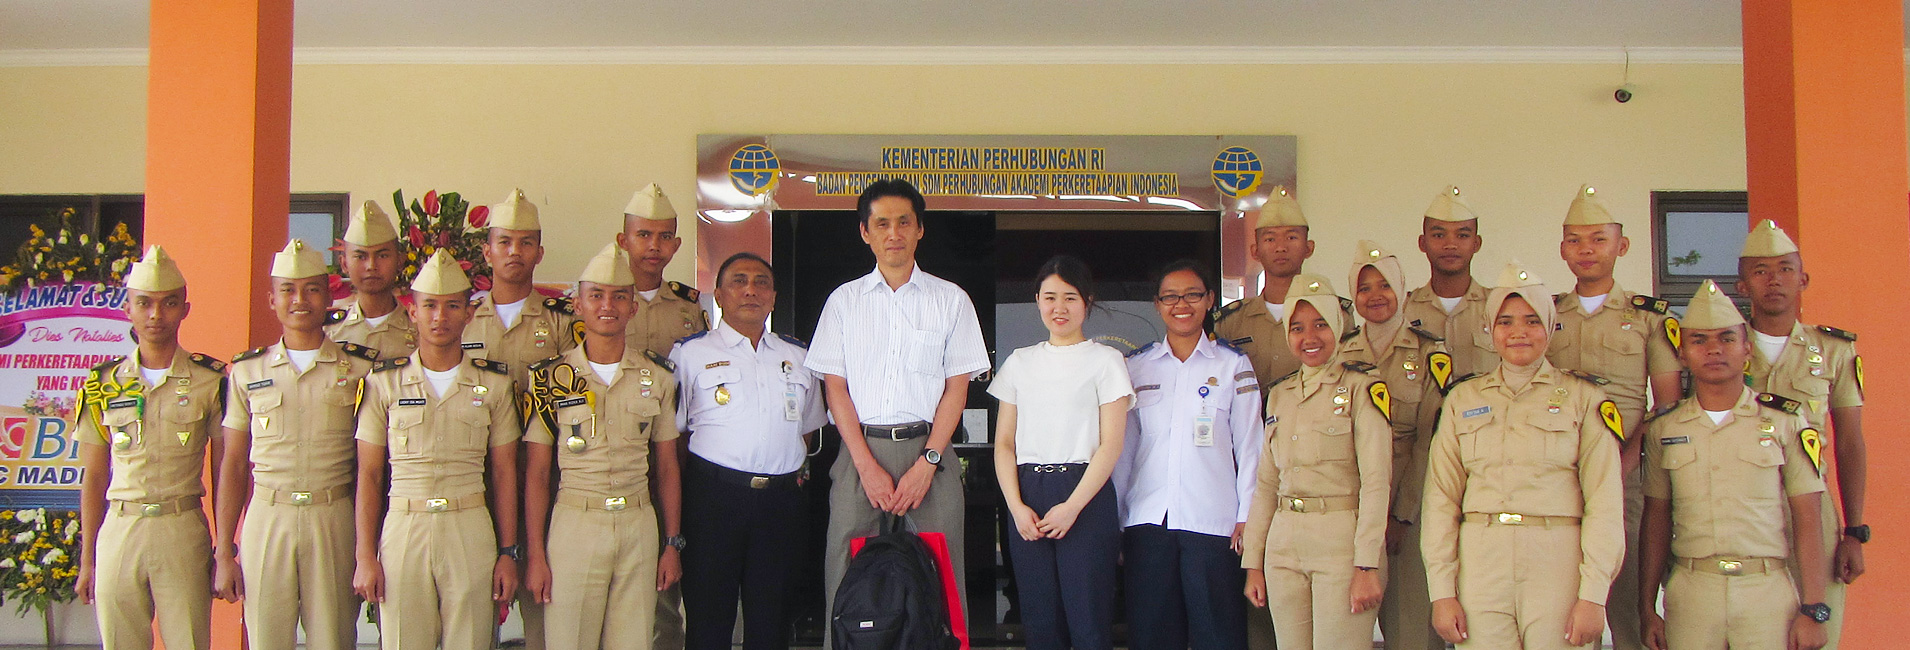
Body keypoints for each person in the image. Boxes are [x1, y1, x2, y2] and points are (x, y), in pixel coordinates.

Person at [806, 179, 990, 646]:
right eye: (882, 223)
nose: (894, 233)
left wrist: (928, 462)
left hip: (929, 453)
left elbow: (956, 389)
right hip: (859, 450)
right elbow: (836, 390)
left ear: (920, 230)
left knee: (941, 570)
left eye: (904, 222)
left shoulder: (950, 300)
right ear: (865, 232)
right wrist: (865, 466)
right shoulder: (844, 302)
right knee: (846, 570)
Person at [1421, 262, 1624, 650]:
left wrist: (1594, 594)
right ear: (1489, 329)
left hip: (1557, 563)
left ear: (1549, 327)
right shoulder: (1463, 399)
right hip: (1481, 561)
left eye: (1532, 321)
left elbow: (1604, 504)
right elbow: (1441, 500)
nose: (1518, 332)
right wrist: (1441, 590)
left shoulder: (1585, 399)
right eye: (1506, 321)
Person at [1637, 280, 1830, 650]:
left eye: (1726, 339)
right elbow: (1656, 519)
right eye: (1699, 340)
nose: (1714, 349)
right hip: (1693, 589)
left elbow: (1808, 518)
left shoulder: (1787, 421)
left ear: (1747, 350)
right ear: (1681, 354)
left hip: (1766, 589)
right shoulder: (1664, 427)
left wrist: (1814, 607)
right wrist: (1647, 608)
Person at [351, 250, 521, 650]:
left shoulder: (494, 385)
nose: (440, 317)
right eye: (429, 305)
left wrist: (508, 553)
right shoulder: (383, 385)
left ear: (467, 313)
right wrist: (364, 555)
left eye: (451, 306)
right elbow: (370, 474)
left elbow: (504, 472)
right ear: (413, 312)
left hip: (469, 525)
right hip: (405, 526)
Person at [214, 240, 379, 650]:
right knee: (267, 638)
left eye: (311, 289)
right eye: (287, 289)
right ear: (272, 299)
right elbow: (233, 465)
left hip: (334, 515)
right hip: (268, 516)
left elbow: (373, 467)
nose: (299, 300)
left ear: (328, 294)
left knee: (335, 637)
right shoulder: (246, 372)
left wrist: (368, 548)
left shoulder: (362, 368)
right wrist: (223, 552)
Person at [521, 243, 685, 650]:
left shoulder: (658, 377)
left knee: (633, 642)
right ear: (577, 304)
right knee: (568, 641)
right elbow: (538, 472)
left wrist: (671, 543)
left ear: (633, 308)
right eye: (596, 295)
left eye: (619, 297)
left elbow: (666, 466)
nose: (607, 305)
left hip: (638, 523)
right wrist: (537, 554)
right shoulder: (548, 378)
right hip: (575, 522)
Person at [1546, 184, 1681, 650]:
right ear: (1562, 248)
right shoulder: (1546, 315)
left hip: (1628, 478)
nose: (1586, 250)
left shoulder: (1649, 319)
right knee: (1560, 603)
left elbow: (1667, 404)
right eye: (1575, 240)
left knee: (1626, 604)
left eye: (1598, 239)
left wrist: (1622, 463)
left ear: (1621, 246)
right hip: (1559, 474)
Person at [670, 252, 826, 650]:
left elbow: (806, 430)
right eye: (739, 281)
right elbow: (673, 436)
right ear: (719, 295)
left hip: (780, 504)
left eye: (761, 282)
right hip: (713, 500)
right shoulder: (689, 355)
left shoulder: (798, 356)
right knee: (708, 619)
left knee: (772, 621)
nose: (750, 290)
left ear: (774, 297)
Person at [74, 245, 226, 650]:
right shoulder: (101, 384)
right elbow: (93, 475)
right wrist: (88, 558)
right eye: (145, 304)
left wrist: (225, 546)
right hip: (121, 529)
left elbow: (225, 470)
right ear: (128, 309)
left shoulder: (210, 380)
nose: (156, 315)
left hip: (182, 526)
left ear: (185, 309)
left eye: (168, 303)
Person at [1112, 260, 1258, 650]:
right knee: (1152, 634)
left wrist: (1247, 516)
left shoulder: (1232, 365)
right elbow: (1124, 449)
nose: (1182, 304)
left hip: (1214, 523)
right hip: (1148, 522)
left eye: (1193, 294)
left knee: (1218, 634)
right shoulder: (1136, 367)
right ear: (1157, 305)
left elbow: (1250, 445)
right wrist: (1119, 519)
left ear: (1210, 300)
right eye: (1170, 296)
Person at [1241, 274, 1393, 650]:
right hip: (1284, 543)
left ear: (1339, 326)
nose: (1309, 338)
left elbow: (1377, 482)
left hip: (1341, 543)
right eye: (1297, 328)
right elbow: (1266, 485)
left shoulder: (1363, 388)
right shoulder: (1279, 395)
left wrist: (1367, 566)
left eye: (1320, 325)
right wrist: (1254, 563)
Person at [989, 255, 1131, 650]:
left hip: (1085, 492)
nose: (1059, 308)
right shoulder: (1020, 362)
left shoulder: (1107, 361)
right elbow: (1004, 444)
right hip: (1028, 493)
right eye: (1050, 297)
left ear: (1087, 301)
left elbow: (1111, 444)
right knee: (1040, 620)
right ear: (1036, 300)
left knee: (1089, 620)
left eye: (1070, 298)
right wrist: (1016, 506)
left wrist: (1072, 507)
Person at [1735, 219, 1865, 648]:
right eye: (1761, 270)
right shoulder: (1719, 349)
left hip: (1813, 507)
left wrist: (1854, 531)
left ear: (1803, 279)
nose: (1774, 280)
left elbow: (1848, 441)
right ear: (1742, 285)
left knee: (1814, 632)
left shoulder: (1834, 350)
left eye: (1785, 269)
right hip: (1739, 507)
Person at [460, 189, 575, 649]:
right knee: (467, 615)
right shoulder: (460, 316)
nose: (514, 252)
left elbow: (572, 401)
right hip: (470, 483)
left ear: (540, 253)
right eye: (504, 242)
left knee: (543, 611)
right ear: (486, 251)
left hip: (538, 482)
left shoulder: (562, 322)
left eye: (526, 243)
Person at [1338, 241, 1453, 650]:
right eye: (1364, 288)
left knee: (1411, 634)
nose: (1375, 296)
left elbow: (1430, 441)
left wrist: (1402, 515)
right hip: (1350, 513)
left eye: (1384, 286)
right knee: (1346, 630)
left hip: (1410, 508)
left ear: (1403, 291)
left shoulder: (1429, 353)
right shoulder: (1339, 351)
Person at [618, 183, 707, 650]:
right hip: (611, 460)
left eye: (664, 237)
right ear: (623, 240)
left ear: (675, 244)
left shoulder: (690, 306)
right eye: (643, 235)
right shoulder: (599, 300)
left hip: (675, 460)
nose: (654, 246)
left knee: (665, 583)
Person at [1402, 186, 1497, 379]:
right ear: (1422, 243)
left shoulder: (1499, 307)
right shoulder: (1403, 310)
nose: (1450, 244)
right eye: (1438, 235)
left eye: (1462, 235)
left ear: (1477, 243)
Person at [327, 200, 418, 359]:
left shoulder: (421, 329)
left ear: (399, 261)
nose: (371, 266)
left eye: (382, 256)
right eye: (360, 256)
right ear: (344, 264)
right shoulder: (326, 331)